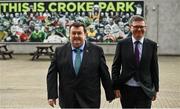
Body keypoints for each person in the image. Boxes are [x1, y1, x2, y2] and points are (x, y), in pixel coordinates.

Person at [47, 22, 114, 108]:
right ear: (69, 35)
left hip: (90, 100)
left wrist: (110, 93)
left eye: (79, 33)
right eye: (73, 33)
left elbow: (104, 74)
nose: (76, 36)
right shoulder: (59, 52)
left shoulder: (97, 51)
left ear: (85, 34)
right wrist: (52, 95)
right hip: (68, 100)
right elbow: (51, 75)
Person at [112, 15, 159, 108]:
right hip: (126, 89)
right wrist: (115, 87)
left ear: (145, 28)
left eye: (141, 27)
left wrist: (156, 89)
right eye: (136, 27)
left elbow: (154, 68)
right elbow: (116, 67)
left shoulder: (151, 45)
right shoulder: (122, 44)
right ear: (130, 28)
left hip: (145, 89)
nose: (139, 29)